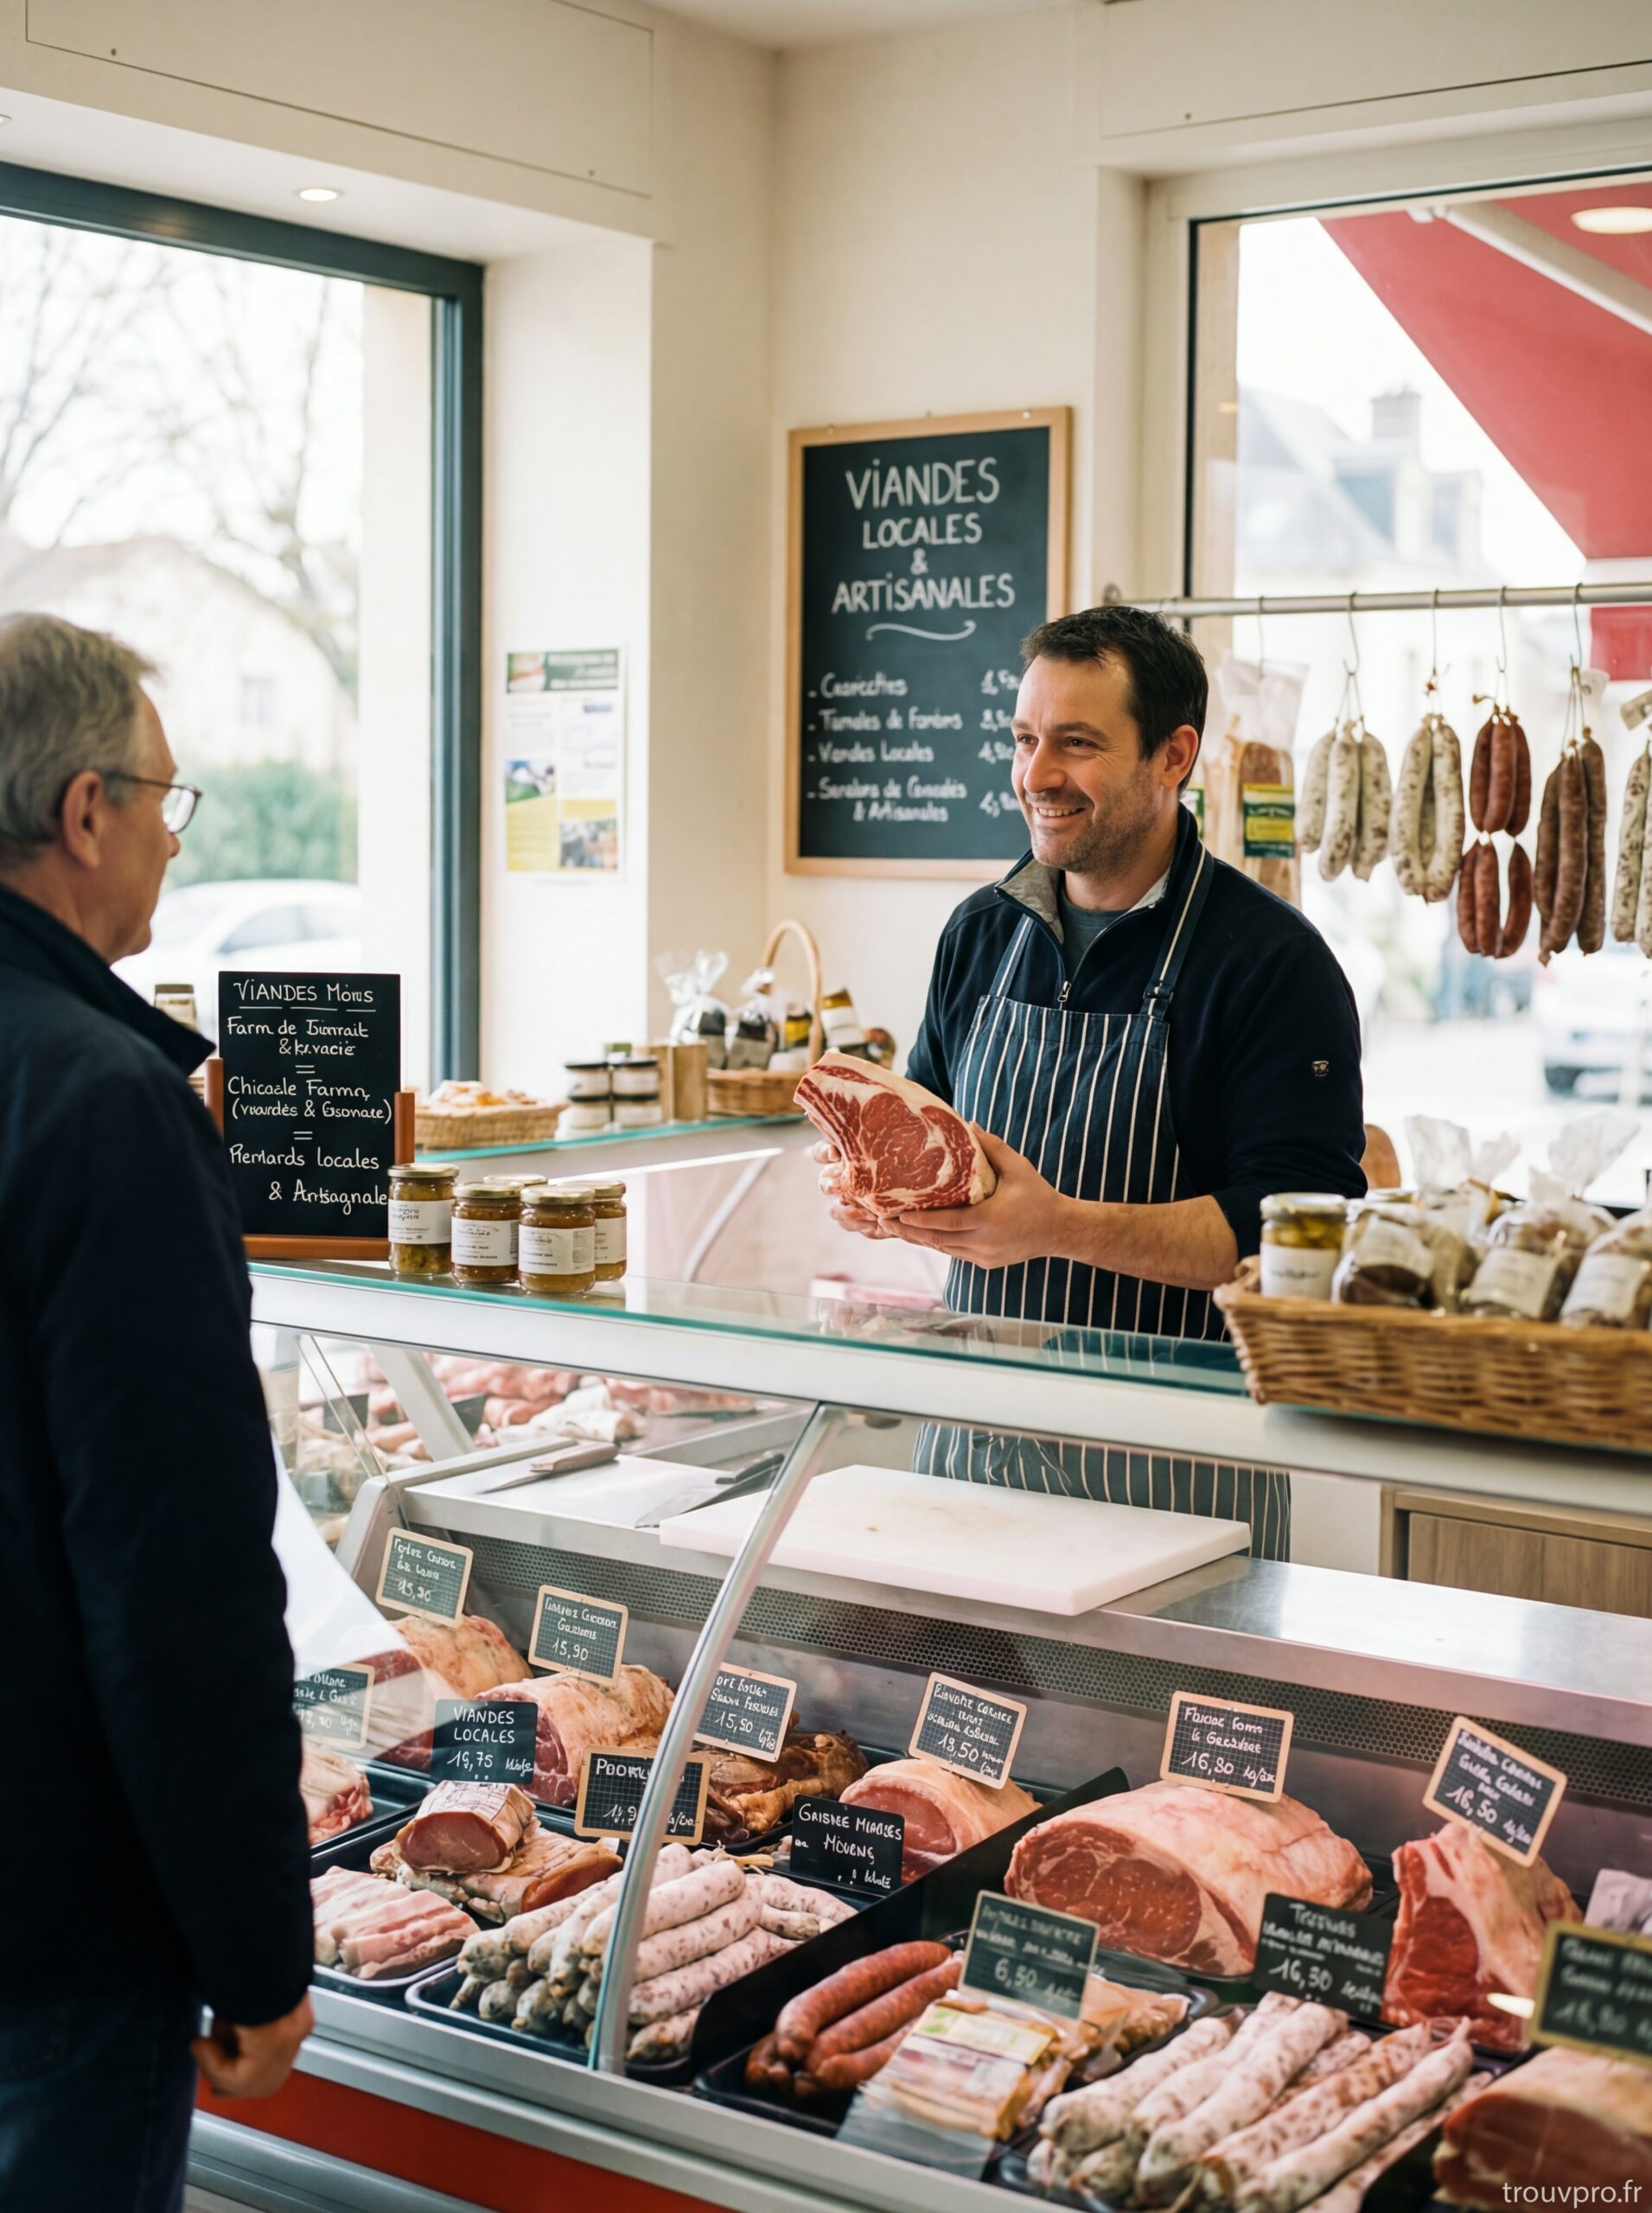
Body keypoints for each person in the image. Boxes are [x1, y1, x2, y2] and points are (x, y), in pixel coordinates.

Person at [820, 605, 1367, 1551]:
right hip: (973, 1453)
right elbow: (929, 1125)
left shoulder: (1271, 962)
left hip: (1171, 1481)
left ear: (1173, 756)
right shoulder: (981, 931)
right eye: (1024, 739)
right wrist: (878, 1192)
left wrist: (1058, 1226)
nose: (1036, 775)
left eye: (1076, 743)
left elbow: (1290, 1234)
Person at [0, 613, 313, 2212]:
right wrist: (254, 1944)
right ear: (83, 811)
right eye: (163, 800)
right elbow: (170, 1580)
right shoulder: (105, 1102)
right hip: (52, 1922)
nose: (173, 843)